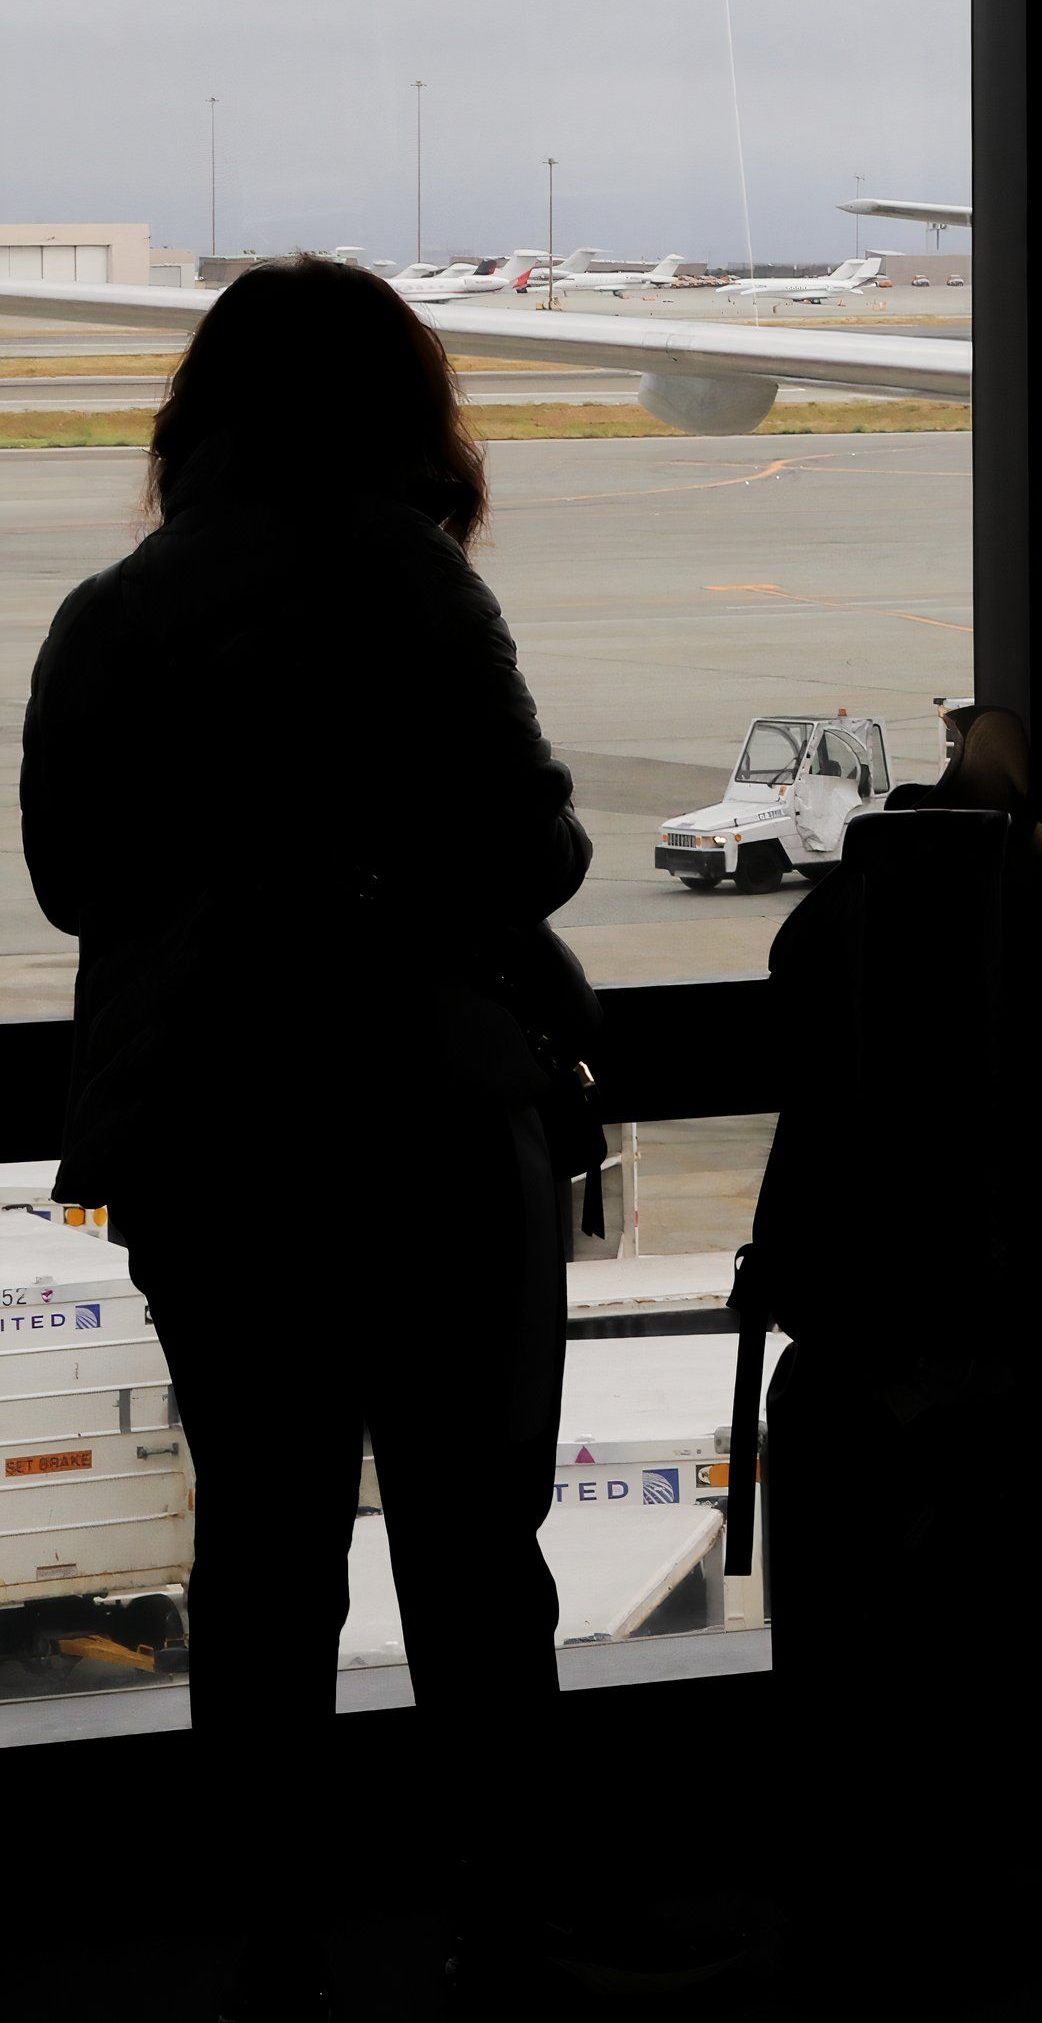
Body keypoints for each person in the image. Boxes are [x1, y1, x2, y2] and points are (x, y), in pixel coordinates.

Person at [16, 258, 625, 2015]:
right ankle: (506, 1927)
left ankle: (271, 1947)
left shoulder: (109, 612)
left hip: (206, 1137)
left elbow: (74, 882)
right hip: (420, 1116)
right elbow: (531, 852)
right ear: (396, 409)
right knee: (465, 1547)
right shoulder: (405, 579)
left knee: (265, 1556)